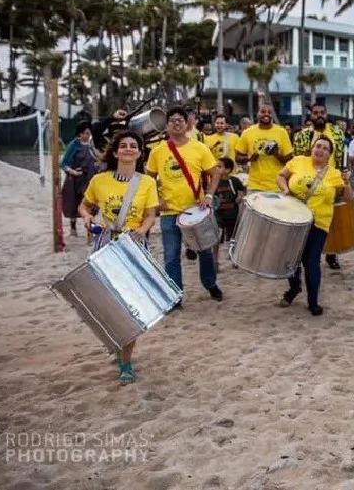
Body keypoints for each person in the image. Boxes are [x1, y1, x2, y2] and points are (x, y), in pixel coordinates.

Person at [78, 130, 158, 384]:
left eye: (133, 145)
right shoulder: (100, 180)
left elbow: (150, 214)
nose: (128, 148)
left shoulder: (147, 182)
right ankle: (119, 345)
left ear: (139, 152)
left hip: (134, 246)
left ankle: (125, 361)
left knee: (131, 305)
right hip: (105, 244)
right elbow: (85, 205)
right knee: (109, 302)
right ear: (115, 152)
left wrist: (143, 230)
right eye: (123, 145)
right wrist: (87, 217)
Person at [146, 107, 223, 304]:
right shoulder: (158, 151)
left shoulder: (199, 147)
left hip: (195, 211)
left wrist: (208, 195)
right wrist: (156, 202)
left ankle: (210, 284)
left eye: (180, 120)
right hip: (169, 212)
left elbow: (215, 173)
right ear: (167, 125)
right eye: (172, 120)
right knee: (171, 256)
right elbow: (148, 180)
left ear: (187, 123)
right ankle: (175, 295)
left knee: (204, 251)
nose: (177, 123)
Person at [276, 136, 349, 316]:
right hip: (294, 218)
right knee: (291, 258)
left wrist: (346, 182)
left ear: (330, 154)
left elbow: (348, 199)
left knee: (312, 261)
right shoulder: (298, 161)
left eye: (325, 148)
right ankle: (294, 289)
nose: (320, 150)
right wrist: (285, 189)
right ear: (312, 147)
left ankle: (313, 301)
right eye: (318, 146)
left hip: (319, 222)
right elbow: (281, 175)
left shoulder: (334, 174)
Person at [293, 105, 347, 270]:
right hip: (307, 184)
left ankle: (332, 254)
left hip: (331, 181)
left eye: (322, 113)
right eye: (315, 113)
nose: (319, 116)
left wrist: (342, 178)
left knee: (331, 220)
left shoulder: (337, 134)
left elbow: (340, 158)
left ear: (326, 114)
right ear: (311, 115)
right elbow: (298, 158)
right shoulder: (302, 135)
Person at [235, 103, 293, 192]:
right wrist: (250, 158)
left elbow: (290, 159)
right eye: (263, 112)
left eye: (269, 112)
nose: (266, 114)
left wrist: (276, 154)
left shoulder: (282, 132)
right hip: (255, 185)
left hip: (277, 185)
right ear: (257, 113)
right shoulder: (247, 132)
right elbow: (238, 158)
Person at [61, 122, 97, 237]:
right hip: (75, 180)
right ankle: (73, 227)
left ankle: (89, 232)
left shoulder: (94, 145)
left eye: (89, 133)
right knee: (73, 203)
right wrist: (73, 172)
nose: (88, 135)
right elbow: (64, 163)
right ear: (80, 134)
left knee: (90, 205)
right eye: (86, 133)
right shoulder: (74, 145)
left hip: (90, 179)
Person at [212, 157, 246, 264]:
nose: (217, 168)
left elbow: (243, 189)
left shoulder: (234, 181)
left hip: (232, 214)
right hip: (218, 215)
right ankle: (215, 260)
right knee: (216, 239)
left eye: (219, 166)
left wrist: (240, 197)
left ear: (228, 170)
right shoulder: (214, 181)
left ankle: (234, 259)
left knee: (233, 238)